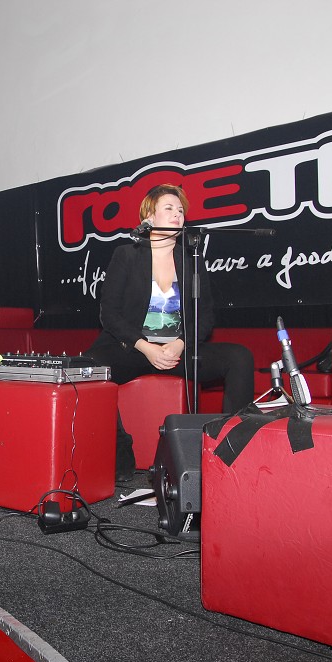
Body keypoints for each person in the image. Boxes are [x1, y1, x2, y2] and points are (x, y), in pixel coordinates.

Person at [86, 184, 254, 481]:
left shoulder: (191, 259)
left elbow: (206, 315)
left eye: (180, 210)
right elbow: (109, 314)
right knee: (90, 366)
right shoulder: (126, 255)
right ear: (149, 217)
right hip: (136, 349)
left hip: (176, 350)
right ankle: (121, 452)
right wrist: (145, 346)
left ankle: (230, 451)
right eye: (169, 208)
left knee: (239, 356)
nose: (177, 214)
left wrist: (181, 342)